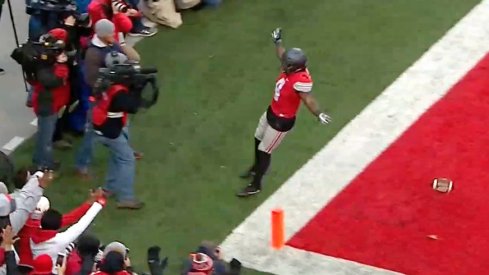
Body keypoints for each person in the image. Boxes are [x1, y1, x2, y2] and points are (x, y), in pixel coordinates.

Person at [237, 28, 332, 197]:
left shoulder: (300, 80)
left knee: (265, 150)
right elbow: (282, 54)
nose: (283, 64)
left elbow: (308, 99)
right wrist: (278, 42)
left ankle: (256, 184)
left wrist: (318, 113)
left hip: (282, 121)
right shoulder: (291, 68)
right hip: (272, 110)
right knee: (257, 138)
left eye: (287, 64)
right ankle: (255, 167)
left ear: (295, 67)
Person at [88, 52, 144, 209]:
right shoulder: (118, 92)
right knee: (127, 159)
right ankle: (126, 197)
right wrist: (137, 88)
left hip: (102, 125)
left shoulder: (105, 81)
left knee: (116, 157)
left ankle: (108, 188)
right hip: (110, 129)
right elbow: (132, 107)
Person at [31, 29, 71, 171]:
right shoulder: (43, 67)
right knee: (46, 139)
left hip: (52, 103)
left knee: (43, 135)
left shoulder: (47, 62)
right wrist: (60, 65)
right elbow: (53, 81)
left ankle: (38, 160)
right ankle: (45, 166)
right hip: (47, 105)